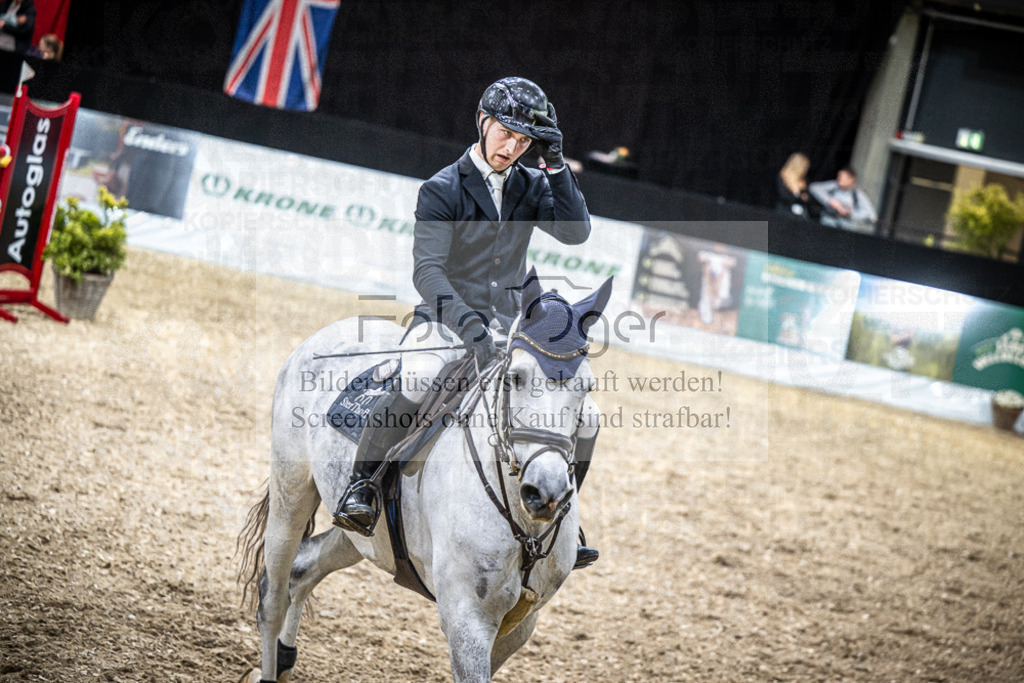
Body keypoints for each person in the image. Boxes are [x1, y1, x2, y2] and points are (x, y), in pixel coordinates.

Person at [333, 76, 602, 569]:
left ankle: (564, 515)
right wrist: (470, 328)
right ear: (482, 121)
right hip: (444, 318)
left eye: (523, 141)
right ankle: (363, 486)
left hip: (509, 327)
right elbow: (427, 272)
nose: (512, 147)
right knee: (416, 377)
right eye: (505, 133)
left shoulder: (530, 184)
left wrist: (557, 166)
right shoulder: (442, 188)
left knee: (587, 415)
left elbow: (576, 232)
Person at [808, 166, 877, 231]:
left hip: (846, 229)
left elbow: (871, 214)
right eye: (839, 176)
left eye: (843, 177)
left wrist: (850, 214)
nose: (839, 179)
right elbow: (813, 187)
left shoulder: (857, 194)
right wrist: (830, 201)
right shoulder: (834, 186)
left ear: (851, 180)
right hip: (827, 224)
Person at [776, 152, 811, 219]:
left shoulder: (803, 181)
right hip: (785, 211)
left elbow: (807, 198)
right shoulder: (783, 176)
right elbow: (783, 196)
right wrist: (799, 197)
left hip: (800, 214)